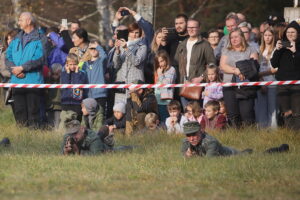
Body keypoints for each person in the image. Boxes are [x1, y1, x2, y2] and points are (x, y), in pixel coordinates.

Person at [5, 12, 49, 128]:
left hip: (32, 81)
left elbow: (40, 58)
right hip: (17, 81)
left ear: (29, 21)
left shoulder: (41, 38)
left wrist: (23, 68)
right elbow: (7, 56)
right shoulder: (16, 38)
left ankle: (33, 141)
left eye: (20, 20)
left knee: (33, 113)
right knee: (19, 113)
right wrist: (14, 69)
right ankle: (22, 139)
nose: (18, 22)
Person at [220, 28, 258, 127]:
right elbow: (222, 66)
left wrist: (242, 71)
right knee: (233, 114)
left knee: (247, 113)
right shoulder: (226, 50)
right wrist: (235, 71)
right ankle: (235, 136)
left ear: (242, 37)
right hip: (229, 86)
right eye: (231, 37)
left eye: (236, 37)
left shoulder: (251, 49)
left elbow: (254, 66)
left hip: (246, 86)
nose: (234, 39)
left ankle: (249, 137)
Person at [175, 18, 216, 107]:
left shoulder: (205, 44)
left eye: (194, 27)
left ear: (199, 28)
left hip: (198, 85)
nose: (191, 29)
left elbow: (212, 64)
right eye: (189, 27)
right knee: (187, 113)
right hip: (184, 84)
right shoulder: (182, 44)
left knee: (198, 113)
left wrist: (201, 78)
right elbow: (177, 62)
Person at [270, 21, 300, 130]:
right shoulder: (282, 45)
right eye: (288, 32)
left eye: (293, 32)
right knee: (286, 111)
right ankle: (289, 133)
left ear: (298, 33)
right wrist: (277, 50)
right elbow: (274, 64)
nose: (290, 34)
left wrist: (295, 52)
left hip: (297, 85)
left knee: (297, 112)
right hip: (282, 84)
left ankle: (297, 134)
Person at [113, 23, 147, 104]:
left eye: (137, 32)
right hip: (121, 82)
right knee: (120, 111)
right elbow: (116, 65)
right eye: (132, 32)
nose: (134, 35)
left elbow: (136, 61)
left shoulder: (142, 46)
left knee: (134, 111)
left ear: (140, 34)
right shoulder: (122, 44)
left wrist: (126, 49)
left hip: (135, 83)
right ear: (128, 33)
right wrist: (117, 51)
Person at [181, 121, 252, 157]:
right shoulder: (185, 142)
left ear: (201, 131)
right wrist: (187, 156)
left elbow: (208, 162)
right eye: (188, 135)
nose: (191, 139)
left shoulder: (211, 142)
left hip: (232, 154)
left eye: (194, 134)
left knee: (246, 154)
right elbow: (183, 158)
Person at [255, 27, 277, 128]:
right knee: (261, 108)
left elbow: (275, 69)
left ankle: (273, 129)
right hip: (261, 83)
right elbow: (257, 68)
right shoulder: (259, 49)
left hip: (273, 82)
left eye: (270, 35)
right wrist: (260, 79)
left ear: (273, 36)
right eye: (265, 35)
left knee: (272, 108)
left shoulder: (276, 49)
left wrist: (261, 74)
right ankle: (262, 130)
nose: (267, 38)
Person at [59, 53, 87, 129]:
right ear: (67, 64)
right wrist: (67, 72)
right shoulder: (64, 73)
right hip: (66, 101)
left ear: (77, 64)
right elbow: (65, 84)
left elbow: (77, 84)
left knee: (75, 122)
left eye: (74, 64)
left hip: (76, 102)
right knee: (65, 120)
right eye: (70, 64)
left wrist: (76, 73)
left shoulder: (81, 74)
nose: (72, 66)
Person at [82, 40, 107, 123]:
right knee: (88, 118)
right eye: (91, 48)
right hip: (88, 95)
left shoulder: (100, 62)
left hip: (100, 94)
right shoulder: (84, 64)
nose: (93, 50)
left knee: (100, 117)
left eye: (95, 48)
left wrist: (98, 46)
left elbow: (104, 56)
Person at [154, 50, 176, 123]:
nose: (160, 64)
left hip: (166, 101)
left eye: (162, 61)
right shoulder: (159, 70)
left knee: (166, 121)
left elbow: (167, 84)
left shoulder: (171, 69)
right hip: (158, 100)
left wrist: (160, 75)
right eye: (158, 62)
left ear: (166, 59)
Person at [45, 63, 62, 129]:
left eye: (57, 74)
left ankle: (56, 132)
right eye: (53, 74)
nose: (54, 76)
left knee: (57, 122)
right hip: (49, 105)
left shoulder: (61, 81)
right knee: (50, 122)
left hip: (58, 106)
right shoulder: (49, 81)